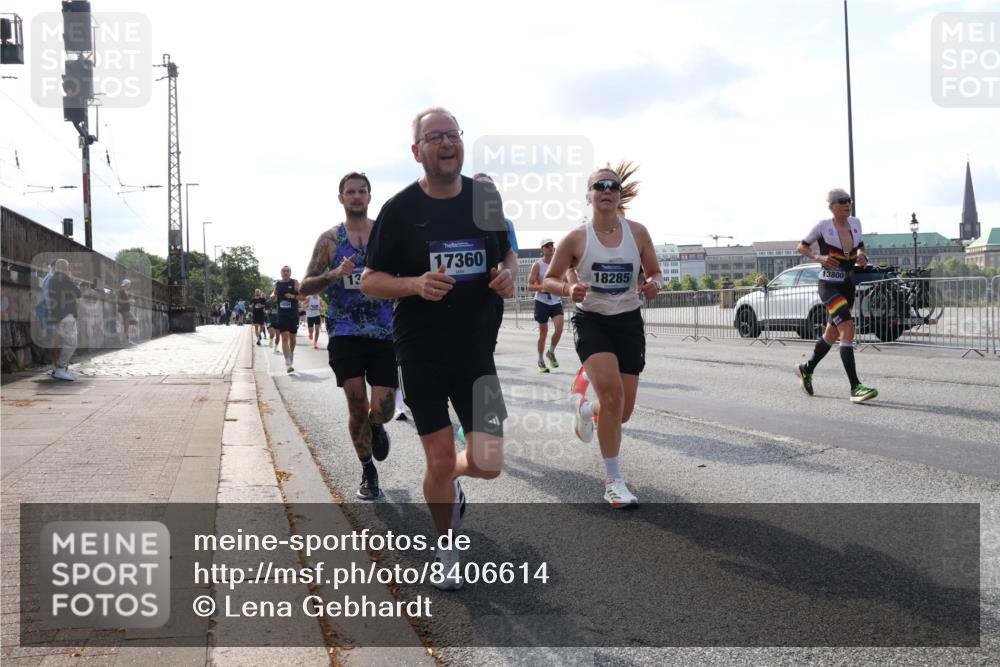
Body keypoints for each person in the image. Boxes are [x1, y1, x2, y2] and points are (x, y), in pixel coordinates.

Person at [362, 107, 515, 590]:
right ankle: (446, 546)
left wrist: (508, 272)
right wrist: (413, 284)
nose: (446, 143)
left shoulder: (483, 197)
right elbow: (369, 280)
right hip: (420, 350)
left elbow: (505, 249)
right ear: (417, 151)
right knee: (441, 460)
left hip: (476, 349)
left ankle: (453, 487)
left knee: (489, 463)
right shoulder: (400, 210)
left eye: (453, 134)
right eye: (435, 137)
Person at [543, 162, 662, 508]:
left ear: (620, 194)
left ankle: (585, 409)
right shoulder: (576, 237)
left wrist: (653, 284)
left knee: (621, 411)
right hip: (591, 322)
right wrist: (568, 289)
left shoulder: (637, 233)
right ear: (590, 195)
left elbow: (655, 273)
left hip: (628, 322)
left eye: (612, 185)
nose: (607, 190)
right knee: (613, 397)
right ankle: (614, 482)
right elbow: (549, 279)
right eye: (600, 186)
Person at [301, 171, 397, 500]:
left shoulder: (385, 235)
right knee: (357, 406)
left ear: (370, 197)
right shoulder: (330, 240)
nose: (356, 197)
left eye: (361, 191)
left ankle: (377, 425)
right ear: (341, 198)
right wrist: (334, 274)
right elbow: (305, 285)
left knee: (383, 408)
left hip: (384, 331)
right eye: (350, 192)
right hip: (344, 331)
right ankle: (368, 469)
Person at [794, 189, 878, 403]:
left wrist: (861, 255)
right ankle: (855, 387)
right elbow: (801, 247)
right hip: (829, 285)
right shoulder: (823, 226)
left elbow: (859, 246)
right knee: (847, 328)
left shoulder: (856, 223)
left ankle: (806, 368)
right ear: (832, 206)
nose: (847, 204)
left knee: (831, 335)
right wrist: (819, 257)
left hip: (848, 284)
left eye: (849, 200)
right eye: (842, 201)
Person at [527, 238, 565, 373]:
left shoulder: (559, 263)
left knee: (559, 328)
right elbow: (529, 286)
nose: (550, 247)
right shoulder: (537, 265)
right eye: (546, 246)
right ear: (542, 249)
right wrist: (542, 287)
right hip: (541, 301)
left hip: (555, 301)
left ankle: (551, 352)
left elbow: (563, 280)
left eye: (551, 245)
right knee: (543, 332)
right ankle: (540, 359)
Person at [47, 259, 82, 381]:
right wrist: (70, 278)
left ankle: (60, 369)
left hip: (58, 316)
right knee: (71, 343)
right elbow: (78, 293)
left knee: (62, 343)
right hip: (66, 316)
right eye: (68, 268)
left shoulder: (52, 280)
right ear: (65, 268)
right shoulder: (65, 279)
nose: (69, 270)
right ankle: (61, 369)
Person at [272, 266, 300, 372]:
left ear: (290, 273)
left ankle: (291, 353)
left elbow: (303, 296)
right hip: (282, 314)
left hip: (293, 315)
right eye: (283, 271)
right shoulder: (278, 284)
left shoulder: (295, 283)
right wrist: (273, 296)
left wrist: (293, 296)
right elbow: (274, 293)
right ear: (280, 273)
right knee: (284, 337)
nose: (285, 273)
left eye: (287, 271)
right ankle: (288, 362)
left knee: (292, 338)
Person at [117, 279, 138, 346]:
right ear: (126, 284)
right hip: (124, 311)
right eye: (129, 284)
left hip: (127, 310)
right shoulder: (120, 291)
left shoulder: (125, 291)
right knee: (134, 322)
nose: (130, 285)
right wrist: (129, 301)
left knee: (128, 326)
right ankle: (128, 341)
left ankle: (128, 341)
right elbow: (119, 301)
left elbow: (126, 300)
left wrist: (130, 299)